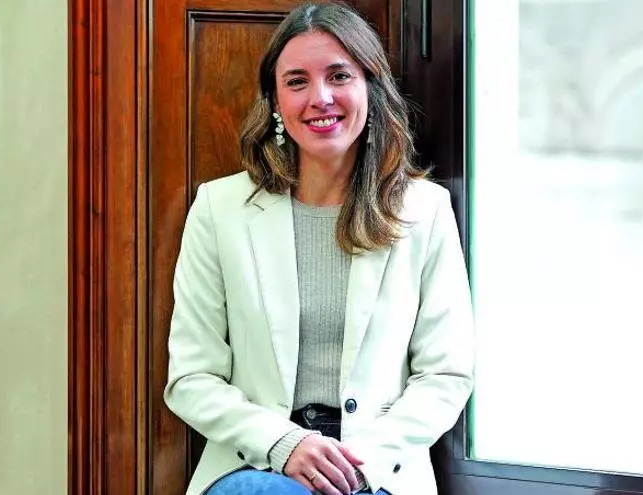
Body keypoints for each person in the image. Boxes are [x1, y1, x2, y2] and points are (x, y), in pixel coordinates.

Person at [163, 3, 474, 494]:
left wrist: (357, 464)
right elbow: (191, 377)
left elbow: (445, 376)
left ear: (370, 87)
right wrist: (284, 444)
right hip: (258, 470)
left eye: (339, 76)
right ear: (275, 101)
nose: (320, 98)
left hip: (376, 473)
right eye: (297, 81)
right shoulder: (219, 210)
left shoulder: (425, 210)